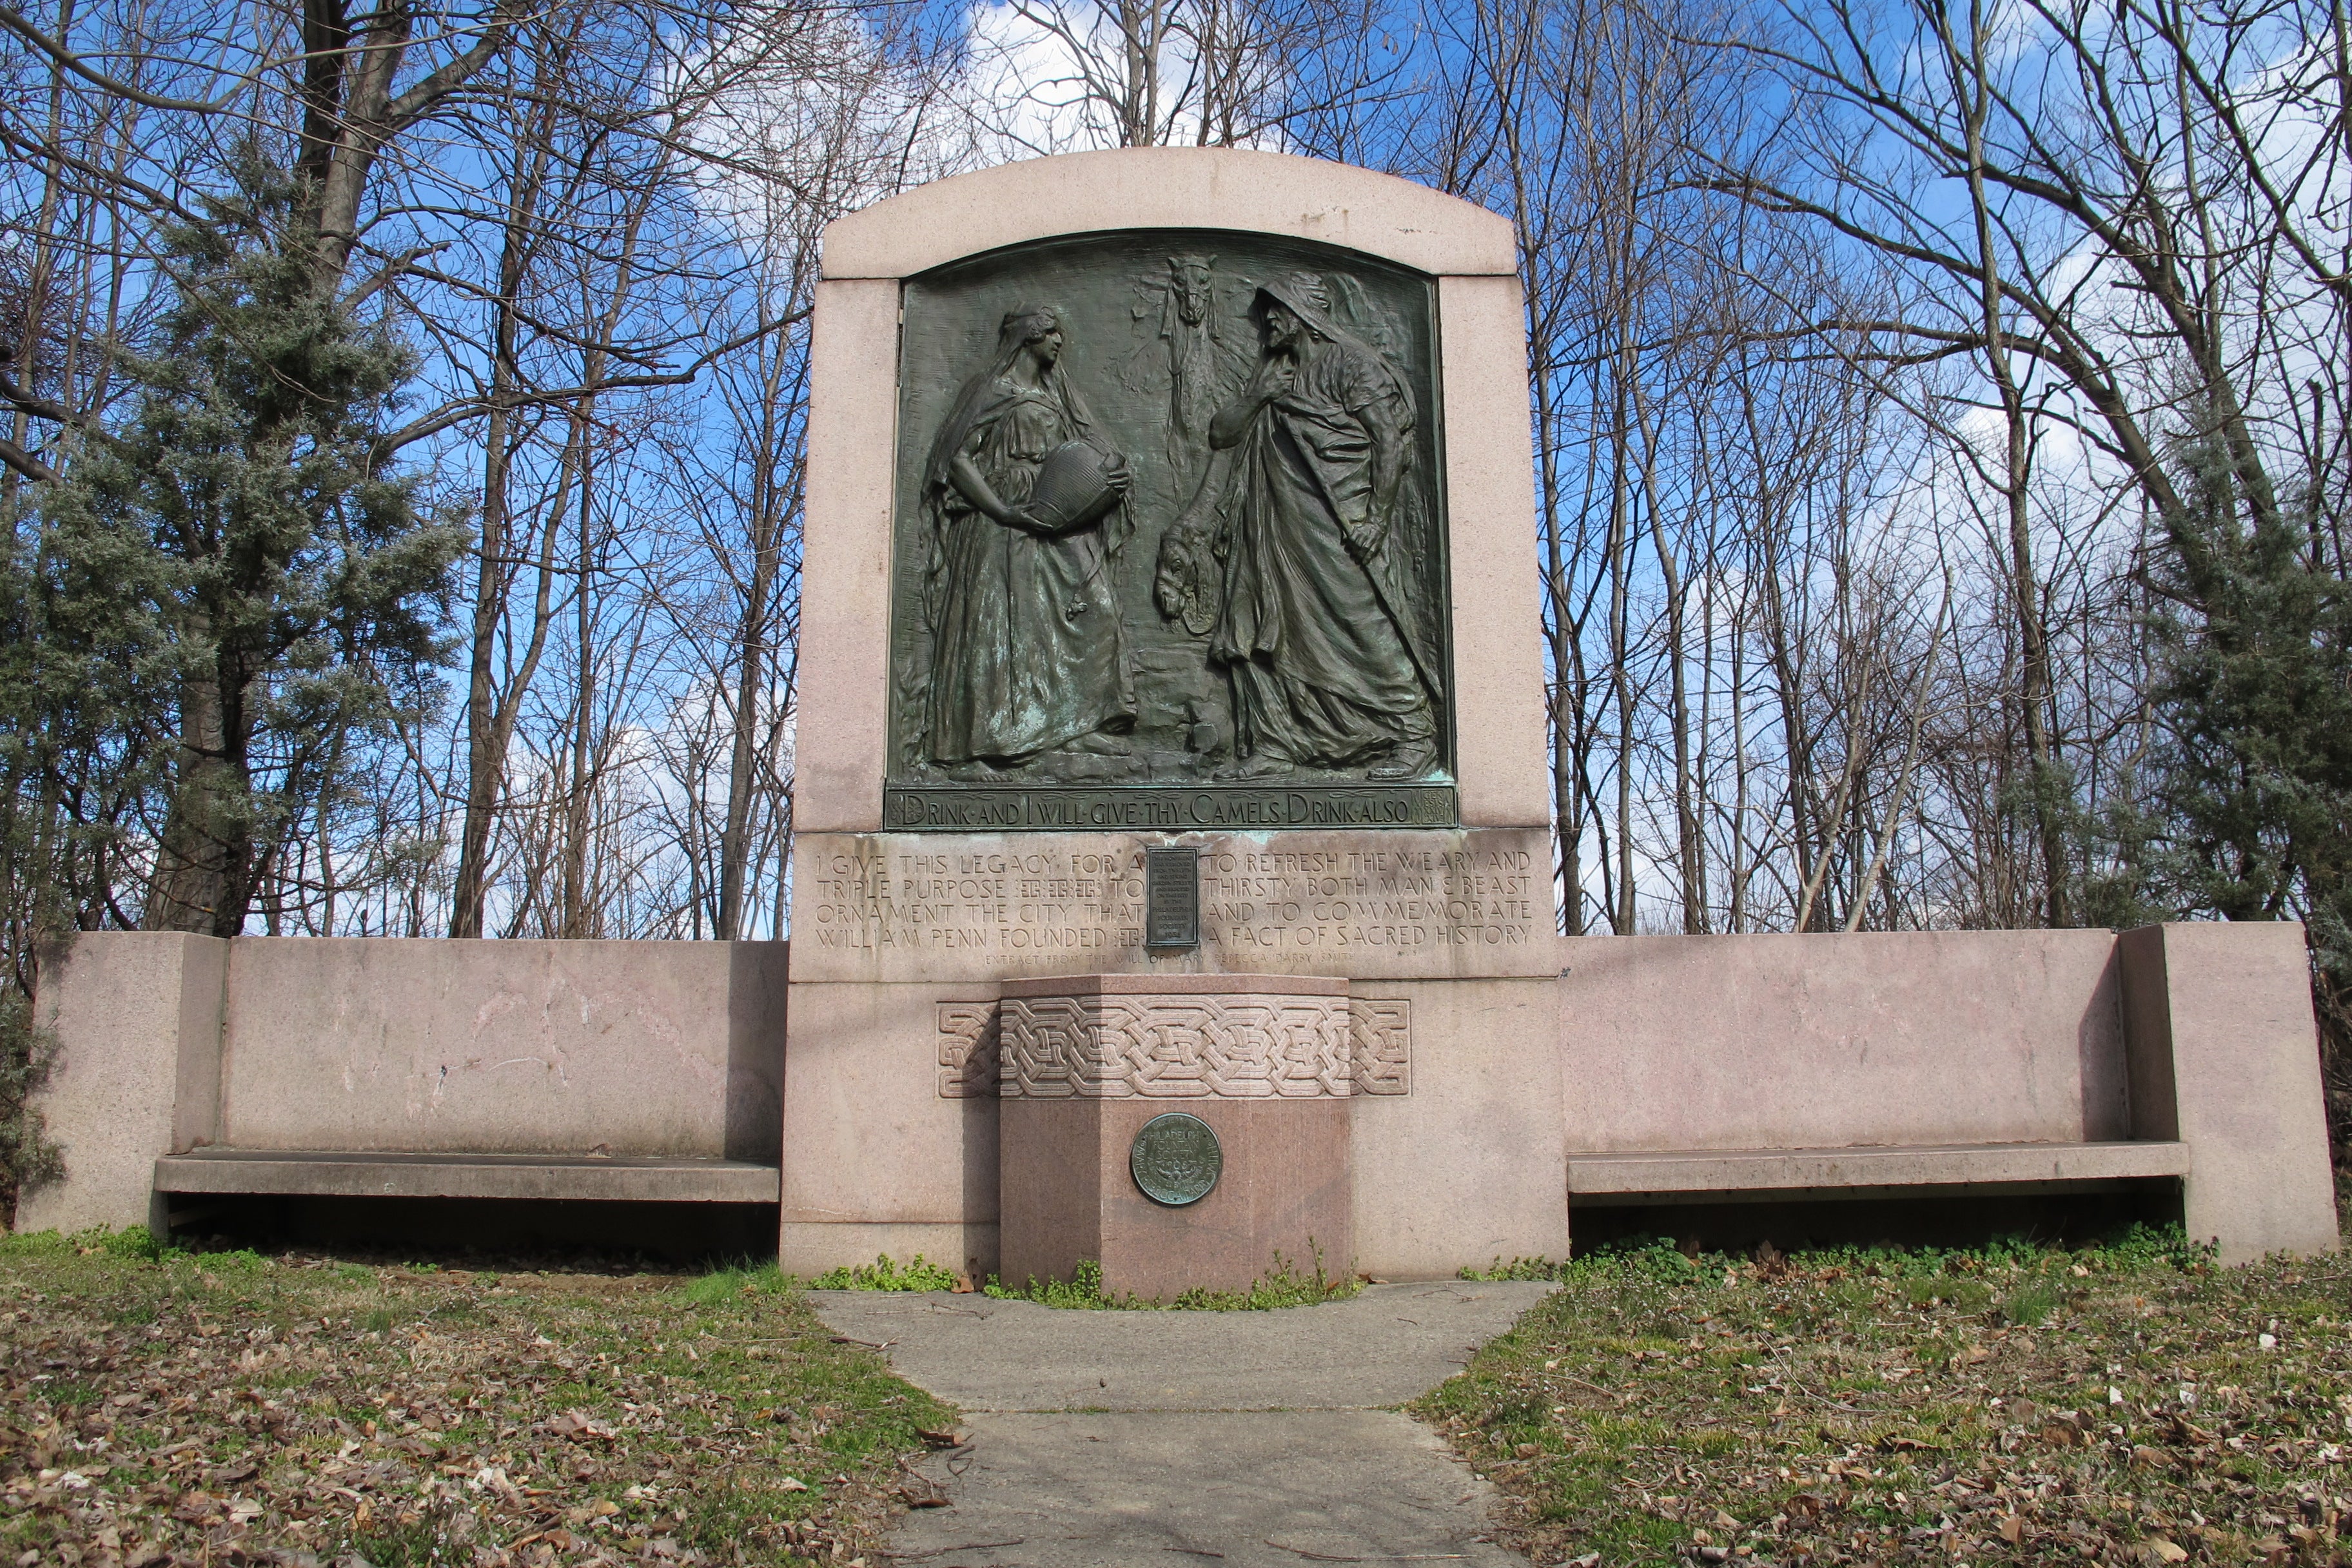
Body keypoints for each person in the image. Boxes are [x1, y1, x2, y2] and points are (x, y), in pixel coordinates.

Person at [1197, 272, 1440, 780]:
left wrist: (1376, 518)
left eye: (1276, 310)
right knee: (1265, 623)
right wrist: (1257, 397)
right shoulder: (1274, 372)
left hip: (1336, 522)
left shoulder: (1352, 365)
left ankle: (1414, 732)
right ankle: (1277, 742)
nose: (1266, 322)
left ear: (1301, 314)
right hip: (1271, 527)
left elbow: (1388, 442)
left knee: (1358, 622)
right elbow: (1222, 434)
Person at [920, 303, 1137, 769]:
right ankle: (989, 744)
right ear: (1028, 337)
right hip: (1003, 517)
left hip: (1054, 511)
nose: (1060, 342)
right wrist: (1002, 511)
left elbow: (1079, 456)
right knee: (1006, 627)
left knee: (1094, 609)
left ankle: (1075, 726)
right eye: (1052, 333)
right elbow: (956, 459)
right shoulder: (994, 390)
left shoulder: (1054, 395)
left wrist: (1106, 481)